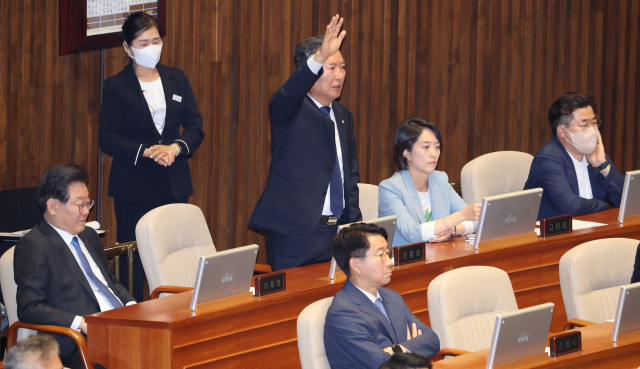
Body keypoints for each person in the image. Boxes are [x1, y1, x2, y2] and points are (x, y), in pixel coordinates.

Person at [99, 12, 204, 301]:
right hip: (134, 187)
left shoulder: (176, 78)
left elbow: (195, 126)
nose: (151, 47)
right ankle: (132, 313)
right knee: (133, 263)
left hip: (174, 183)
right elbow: (108, 139)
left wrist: (175, 148)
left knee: (176, 259)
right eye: (143, 42)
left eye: (156, 40)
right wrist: (147, 152)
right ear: (127, 48)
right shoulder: (116, 86)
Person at [248, 15, 362, 271]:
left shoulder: (343, 115)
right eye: (331, 67)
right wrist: (319, 56)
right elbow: (289, 91)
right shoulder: (289, 109)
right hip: (296, 235)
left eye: (342, 67)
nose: (340, 75)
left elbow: (349, 175)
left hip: (338, 232)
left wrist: (354, 226)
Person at [14, 164, 136, 369]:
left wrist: (133, 307)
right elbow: (29, 307)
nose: (87, 212)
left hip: (120, 326)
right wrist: (80, 323)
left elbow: (110, 283)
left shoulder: (88, 235)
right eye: (80, 205)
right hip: (80, 341)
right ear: (53, 206)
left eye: (88, 203)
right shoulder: (35, 245)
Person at [324, 223, 440, 369]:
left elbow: (432, 340)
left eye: (388, 253)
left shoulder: (392, 297)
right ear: (355, 265)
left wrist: (395, 349)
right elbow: (381, 363)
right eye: (380, 255)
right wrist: (409, 348)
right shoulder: (343, 313)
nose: (390, 262)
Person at [378, 118, 481, 246]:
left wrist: (453, 230)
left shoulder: (440, 179)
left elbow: (477, 221)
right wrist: (461, 216)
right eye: (426, 147)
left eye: (437, 147)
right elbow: (412, 234)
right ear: (407, 153)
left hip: (438, 256)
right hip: (404, 261)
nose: (434, 153)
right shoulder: (390, 188)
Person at [524, 93, 624, 219]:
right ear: (562, 131)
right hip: (552, 236)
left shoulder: (596, 154)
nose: (592, 130)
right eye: (584, 125)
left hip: (593, 228)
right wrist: (604, 205)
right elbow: (572, 207)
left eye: (594, 123)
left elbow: (626, 199)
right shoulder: (547, 160)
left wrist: (602, 165)